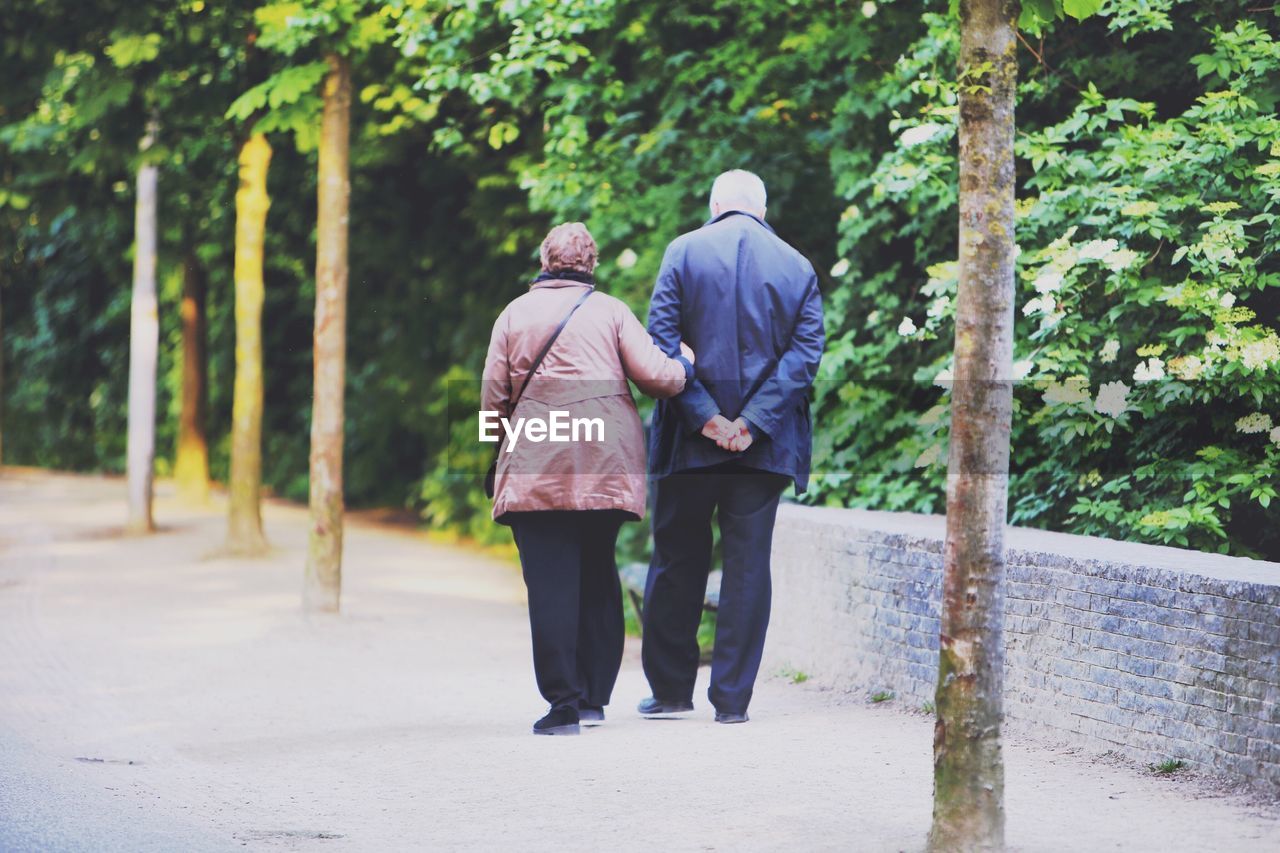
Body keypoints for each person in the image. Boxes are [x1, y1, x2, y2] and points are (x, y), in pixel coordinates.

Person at [482, 222, 694, 736]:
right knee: (599, 576)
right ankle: (595, 699)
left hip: (536, 464)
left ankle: (563, 706)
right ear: (592, 264)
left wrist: (496, 447)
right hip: (605, 461)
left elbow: (493, 399)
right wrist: (685, 362)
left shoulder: (514, 313)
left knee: (550, 585)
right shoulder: (612, 312)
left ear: (544, 259)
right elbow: (659, 380)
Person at [639, 170, 825, 724]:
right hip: (764, 447)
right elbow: (805, 356)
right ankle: (733, 701)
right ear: (762, 210)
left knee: (676, 560)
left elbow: (659, 345)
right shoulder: (796, 265)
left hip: (689, 443)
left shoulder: (683, 251)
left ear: (716, 204)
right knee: (748, 567)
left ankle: (671, 691)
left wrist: (706, 418)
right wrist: (751, 422)